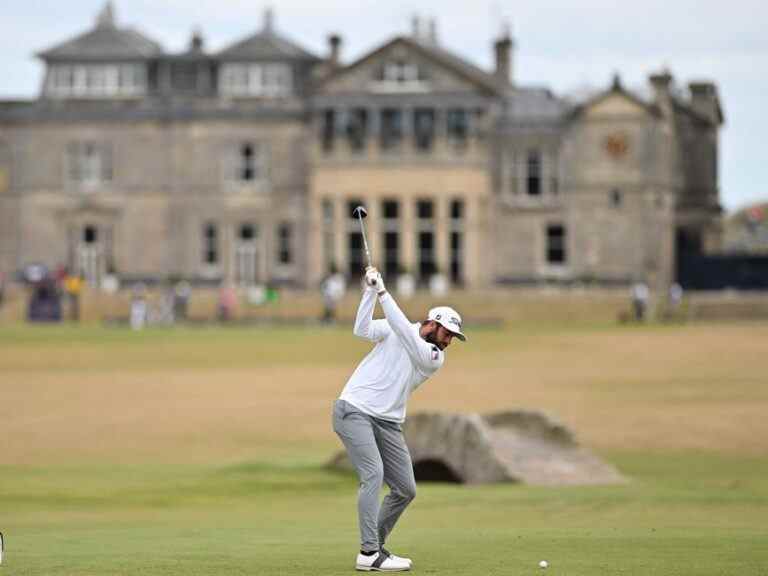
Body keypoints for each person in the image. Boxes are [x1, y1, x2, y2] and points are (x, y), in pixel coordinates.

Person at [333, 266, 466, 572]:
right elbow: (362, 330)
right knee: (373, 474)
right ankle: (369, 553)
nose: (448, 342)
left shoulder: (433, 357)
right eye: (448, 334)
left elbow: (406, 332)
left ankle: (374, 547)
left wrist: (382, 291)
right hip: (354, 409)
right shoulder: (400, 328)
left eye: (453, 338)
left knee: (406, 489)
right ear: (432, 324)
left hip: (388, 422)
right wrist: (368, 292)